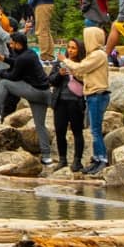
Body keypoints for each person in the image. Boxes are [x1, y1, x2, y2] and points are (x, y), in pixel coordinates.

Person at [0, 31, 54, 165]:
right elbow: (17, 63)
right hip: (44, 93)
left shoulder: (23, 58)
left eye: (12, 43)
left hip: (35, 91)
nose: (10, 46)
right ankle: (46, 156)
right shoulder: (30, 54)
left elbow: (13, 77)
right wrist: (3, 59)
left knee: (4, 83)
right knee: (40, 125)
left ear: (18, 44)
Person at [63, 26, 111, 175]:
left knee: (95, 130)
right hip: (92, 94)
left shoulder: (98, 55)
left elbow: (83, 67)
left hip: (97, 95)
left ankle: (102, 159)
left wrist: (65, 60)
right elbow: (84, 73)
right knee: (93, 129)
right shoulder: (94, 56)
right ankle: (96, 158)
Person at [48, 38, 87, 171]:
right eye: (69, 47)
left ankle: (77, 161)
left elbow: (85, 80)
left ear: (79, 50)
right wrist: (59, 74)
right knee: (60, 131)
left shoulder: (83, 63)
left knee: (77, 131)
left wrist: (73, 73)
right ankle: (62, 159)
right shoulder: (60, 63)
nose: (70, 50)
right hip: (60, 101)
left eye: (74, 48)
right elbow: (51, 80)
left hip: (75, 102)